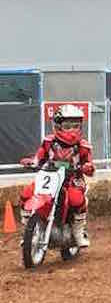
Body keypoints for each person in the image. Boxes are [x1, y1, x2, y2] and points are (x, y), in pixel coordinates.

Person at [19, 105, 95, 248]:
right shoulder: (49, 141)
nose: (72, 130)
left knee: (76, 198)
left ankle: (78, 233)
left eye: (76, 126)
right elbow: (39, 155)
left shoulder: (83, 146)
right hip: (50, 175)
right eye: (67, 126)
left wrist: (88, 167)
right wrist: (33, 162)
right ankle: (27, 232)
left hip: (73, 178)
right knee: (27, 193)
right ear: (58, 126)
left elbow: (89, 165)